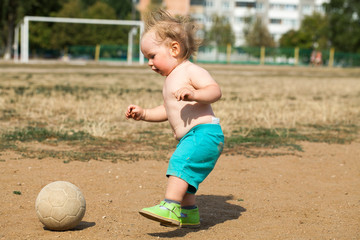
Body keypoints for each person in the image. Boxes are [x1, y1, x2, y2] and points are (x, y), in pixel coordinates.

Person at [125, 9, 224, 228]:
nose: (149, 63)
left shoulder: (190, 70)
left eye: (152, 56)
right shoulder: (172, 78)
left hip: (204, 133)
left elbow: (214, 91)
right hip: (195, 136)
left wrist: (195, 94)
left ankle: (170, 205)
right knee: (187, 177)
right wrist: (144, 114)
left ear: (174, 49)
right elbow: (168, 110)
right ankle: (188, 213)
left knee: (179, 165)